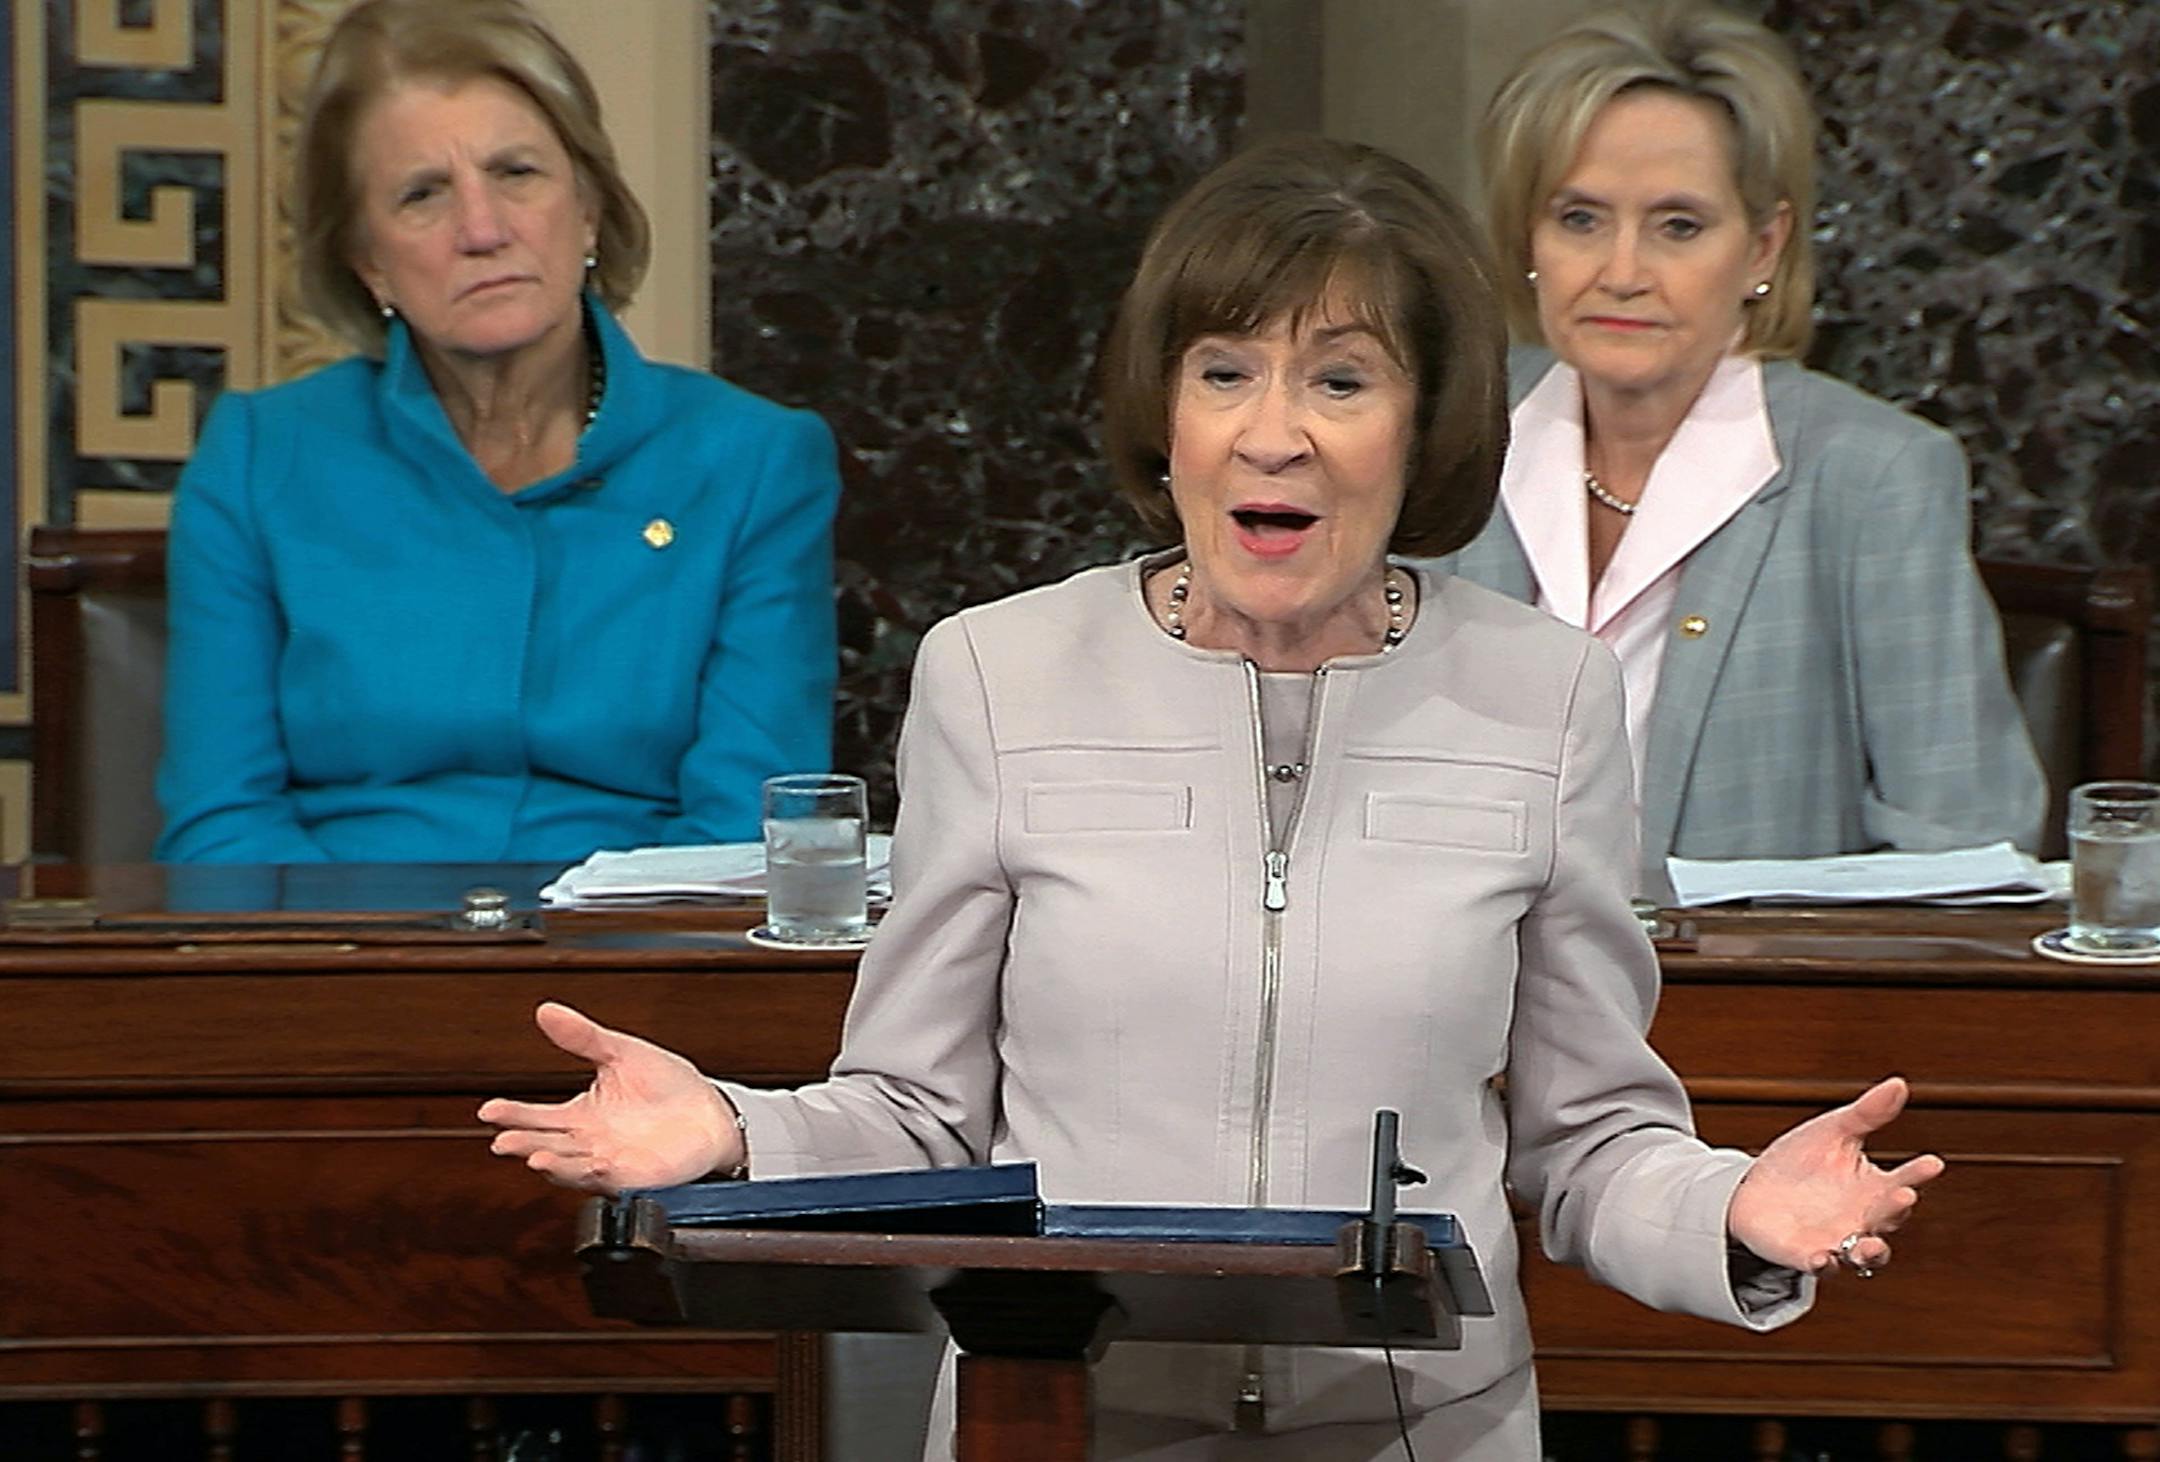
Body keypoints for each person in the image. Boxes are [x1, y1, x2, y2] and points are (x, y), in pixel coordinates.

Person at [480, 137, 1942, 1460]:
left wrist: (1738, 1213)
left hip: (1420, 1428)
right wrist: (733, 1130)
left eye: (1343, 379)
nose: (1274, 432)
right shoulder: (998, 675)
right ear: (1164, 410)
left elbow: (1590, 1143)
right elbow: (918, 1115)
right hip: (1059, 1416)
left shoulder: (1545, 698)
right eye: (1225, 371)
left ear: (1422, 424)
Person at [155, 0, 839, 864]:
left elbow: (749, 824)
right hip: (337, 964)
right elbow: (222, 823)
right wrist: (355, 984)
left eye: (516, 173)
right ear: (368, 260)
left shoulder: (754, 463)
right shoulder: (259, 459)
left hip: (635, 972)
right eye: (422, 195)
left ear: (587, 208)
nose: (482, 230)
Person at [1444, 0, 2045, 893]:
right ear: (1527, 236)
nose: (1621, 271)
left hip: (1749, 1008)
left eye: (1677, 225)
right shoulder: (1448, 431)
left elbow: (1965, 857)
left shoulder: (1874, 478)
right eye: (1579, 219)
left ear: (1762, 246)